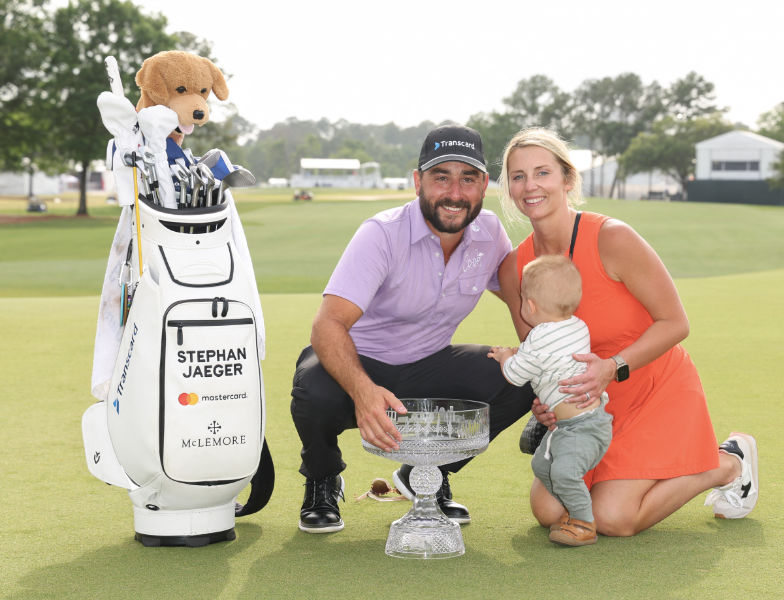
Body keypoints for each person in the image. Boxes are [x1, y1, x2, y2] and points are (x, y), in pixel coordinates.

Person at [495, 127, 759, 537]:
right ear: (509, 188)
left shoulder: (612, 238)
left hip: (651, 384)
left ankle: (728, 463)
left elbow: (676, 323)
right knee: (548, 510)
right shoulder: (515, 268)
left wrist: (612, 367)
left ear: (567, 179)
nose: (530, 186)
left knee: (614, 518)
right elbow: (538, 352)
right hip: (584, 408)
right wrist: (543, 402)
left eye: (542, 173)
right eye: (518, 176)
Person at [290, 124, 535, 533]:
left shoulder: (489, 233)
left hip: (429, 364)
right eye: (442, 177)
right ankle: (323, 478)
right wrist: (364, 391)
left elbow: (522, 301)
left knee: (524, 377)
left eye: (468, 178)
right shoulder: (381, 233)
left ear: (483, 185)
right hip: (362, 360)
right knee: (313, 388)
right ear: (418, 181)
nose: (455, 192)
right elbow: (327, 325)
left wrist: (544, 367)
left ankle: (427, 472)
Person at [488, 254, 612, 546]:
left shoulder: (540, 337)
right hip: (573, 426)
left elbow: (516, 375)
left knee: (564, 471)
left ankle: (584, 522)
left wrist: (506, 355)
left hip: (582, 427)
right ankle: (573, 511)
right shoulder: (576, 326)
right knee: (542, 467)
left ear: (530, 305)